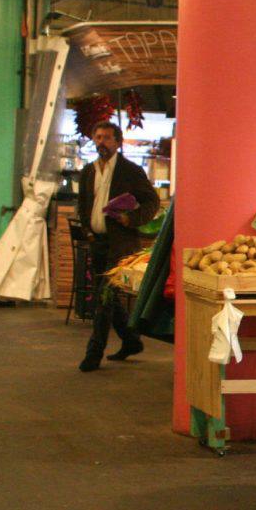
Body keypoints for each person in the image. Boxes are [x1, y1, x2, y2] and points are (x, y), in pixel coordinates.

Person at [77, 121, 160, 372]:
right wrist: (88, 232)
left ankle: (94, 352)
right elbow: (83, 205)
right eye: (98, 137)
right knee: (109, 298)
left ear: (117, 142)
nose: (101, 142)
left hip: (120, 246)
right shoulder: (88, 172)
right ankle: (132, 341)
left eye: (107, 138)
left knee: (104, 298)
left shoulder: (130, 171)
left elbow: (152, 202)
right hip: (98, 243)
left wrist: (131, 219)